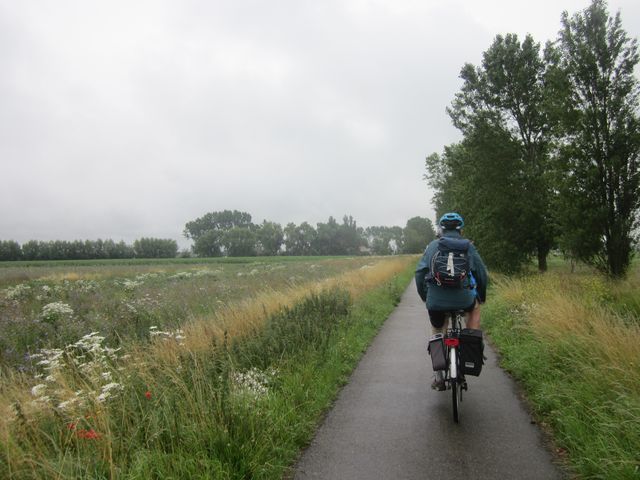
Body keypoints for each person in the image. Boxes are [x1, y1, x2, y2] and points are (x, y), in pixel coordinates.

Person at [415, 212, 488, 390]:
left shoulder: (432, 246)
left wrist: (426, 297)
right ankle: (471, 345)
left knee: (438, 328)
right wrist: (481, 296)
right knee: (475, 309)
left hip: (436, 301)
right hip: (463, 299)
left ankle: (439, 376)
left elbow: (419, 274)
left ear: (441, 229)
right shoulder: (468, 247)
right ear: (460, 229)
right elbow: (481, 273)